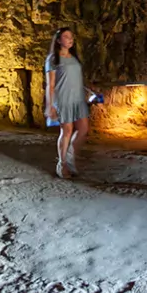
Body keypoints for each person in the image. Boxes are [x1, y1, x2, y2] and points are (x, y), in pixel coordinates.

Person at [45, 27, 90, 179]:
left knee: (83, 129)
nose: (70, 39)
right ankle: (62, 164)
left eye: (71, 37)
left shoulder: (74, 57)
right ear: (58, 40)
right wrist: (50, 105)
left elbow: (76, 78)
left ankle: (69, 157)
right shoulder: (53, 59)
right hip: (63, 99)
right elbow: (50, 85)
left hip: (78, 98)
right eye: (66, 37)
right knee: (67, 131)